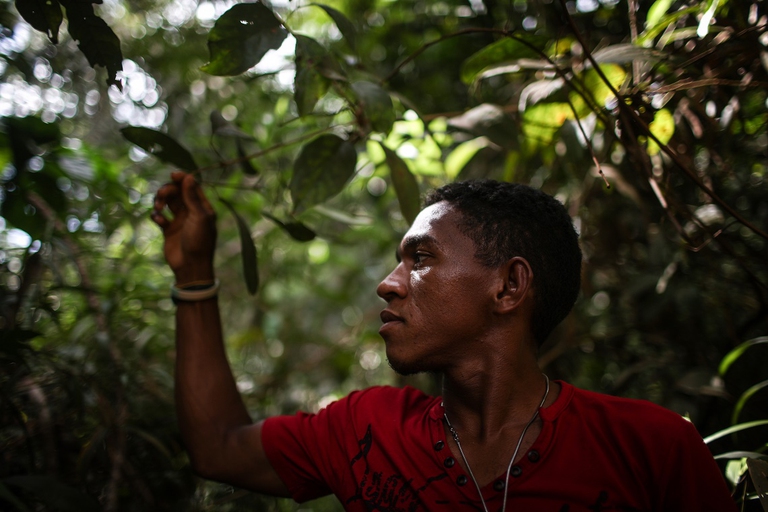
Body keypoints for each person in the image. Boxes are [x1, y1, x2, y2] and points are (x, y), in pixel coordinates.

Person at [152, 172, 737, 511]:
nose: (388, 283)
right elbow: (219, 447)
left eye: (421, 258)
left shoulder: (651, 448)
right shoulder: (366, 431)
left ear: (508, 286)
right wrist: (193, 274)